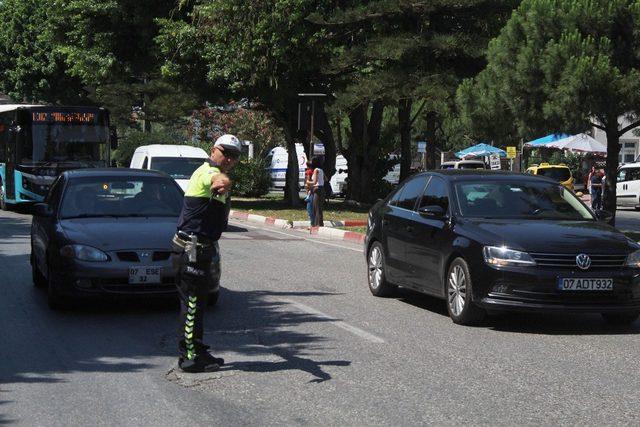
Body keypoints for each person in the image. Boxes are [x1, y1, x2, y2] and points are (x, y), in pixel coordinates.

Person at [171, 134, 241, 373]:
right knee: (191, 306)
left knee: (198, 305)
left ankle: (197, 349)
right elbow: (217, 180)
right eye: (226, 153)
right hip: (190, 250)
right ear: (214, 151)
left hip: (201, 250)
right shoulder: (206, 172)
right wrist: (224, 179)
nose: (230, 159)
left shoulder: (212, 172)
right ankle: (188, 357)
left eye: (235, 156)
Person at [308, 156, 325, 226]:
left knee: (316, 208)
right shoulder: (321, 170)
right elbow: (326, 179)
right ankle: (319, 223)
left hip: (317, 189)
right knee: (319, 207)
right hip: (322, 189)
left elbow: (314, 182)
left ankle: (318, 224)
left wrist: (308, 182)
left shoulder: (315, 170)